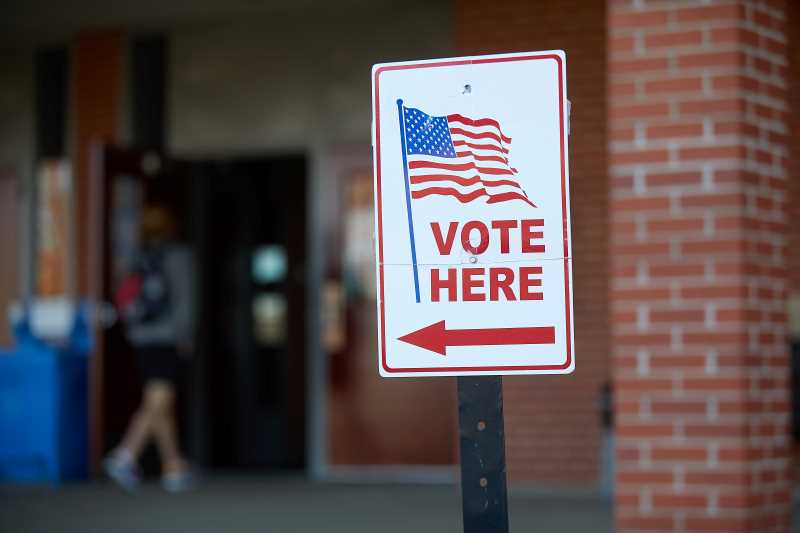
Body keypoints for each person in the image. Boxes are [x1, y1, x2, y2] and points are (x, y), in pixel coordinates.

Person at [105, 204, 195, 492]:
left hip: (141, 336)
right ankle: (126, 454)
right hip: (166, 336)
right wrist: (184, 334)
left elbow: (124, 296)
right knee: (158, 400)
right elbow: (184, 300)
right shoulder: (178, 256)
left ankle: (173, 466)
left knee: (160, 401)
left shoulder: (137, 257)